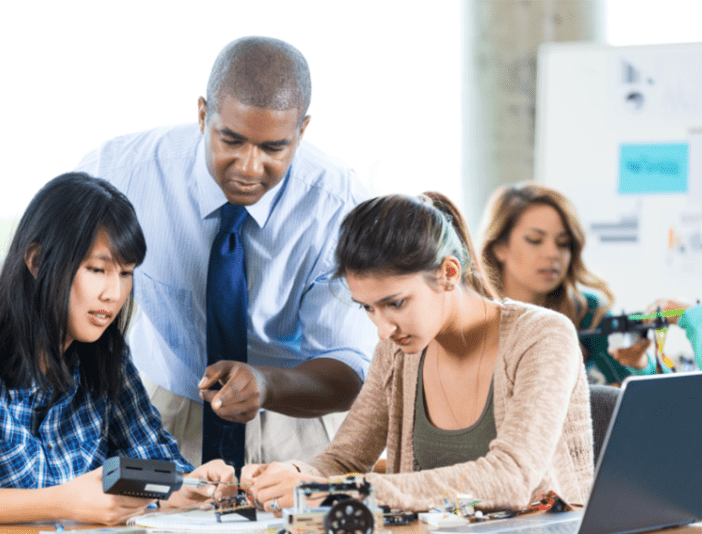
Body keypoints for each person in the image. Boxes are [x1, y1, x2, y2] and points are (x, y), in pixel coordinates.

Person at [75, 36, 376, 471]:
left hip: (298, 418)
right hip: (162, 407)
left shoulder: (340, 207)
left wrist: (267, 385)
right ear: (202, 115)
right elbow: (49, 280)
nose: (250, 167)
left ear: (302, 132)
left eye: (274, 148)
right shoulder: (119, 172)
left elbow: (352, 368)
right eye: (231, 140)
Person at [0, 173, 233, 531]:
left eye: (125, 273)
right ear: (38, 262)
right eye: (97, 269)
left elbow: (154, 459)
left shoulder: (109, 360)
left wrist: (189, 484)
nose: (113, 294)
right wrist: (64, 500)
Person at [242, 192, 594, 512]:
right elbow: (345, 459)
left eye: (395, 303)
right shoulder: (396, 352)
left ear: (448, 274)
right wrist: (293, 474)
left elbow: (512, 479)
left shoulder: (543, 336)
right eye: (367, 308)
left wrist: (343, 492)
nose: (383, 329)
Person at [478, 182, 655, 385]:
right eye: (535, 240)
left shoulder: (589, 313)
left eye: (563, 243)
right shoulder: (471, 318)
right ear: (500, 247)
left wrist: (640, 363)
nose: (553, 253)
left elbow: (647, 399)